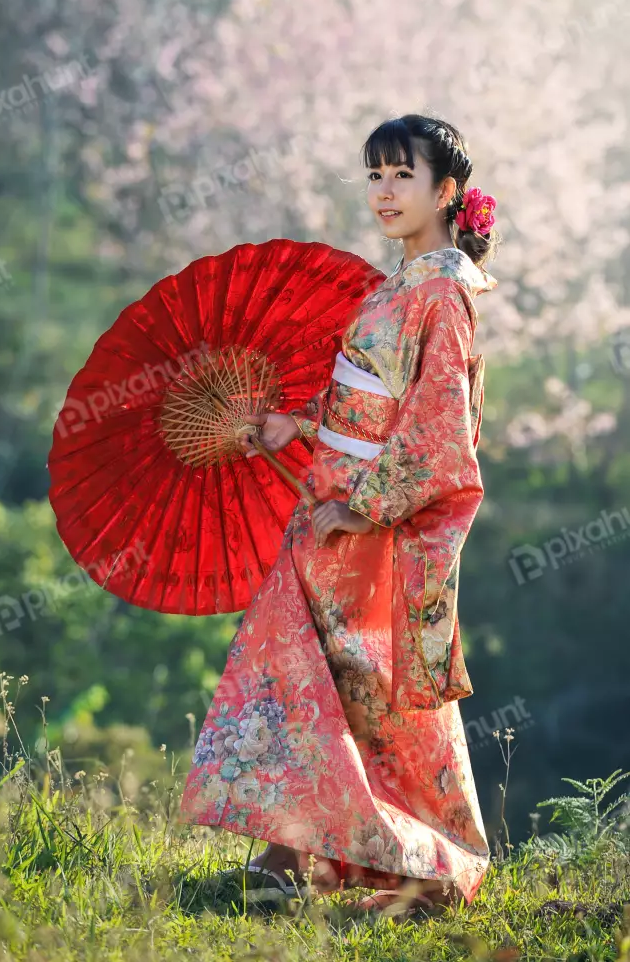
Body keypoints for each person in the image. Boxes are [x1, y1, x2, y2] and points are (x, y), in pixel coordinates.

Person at [177, 114, 500, 915]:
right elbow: (362, 398)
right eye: (374, 176)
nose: (384, 193)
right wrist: (297, 423)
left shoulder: (441, 294)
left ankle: (429, 869)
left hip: (368, 527)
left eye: (401, 176)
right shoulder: (398, 286)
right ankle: (291, 856)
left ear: (445, 191)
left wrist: (363, 510)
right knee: (299, 677)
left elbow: (437, 427)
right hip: (328, 509)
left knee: (374, 701)